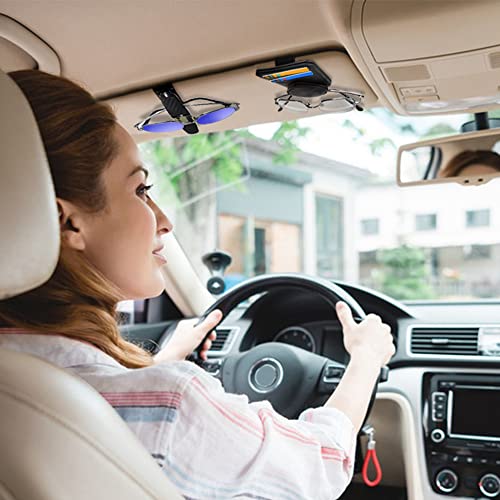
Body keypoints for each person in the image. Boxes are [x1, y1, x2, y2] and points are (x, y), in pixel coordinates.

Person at [0, 70, 395, 499]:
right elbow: (320, 466)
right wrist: (366, 358)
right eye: (141, 190)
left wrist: (159, 363)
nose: (164, 220)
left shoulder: (24, 384)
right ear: (67, 222)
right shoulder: (173, 403)